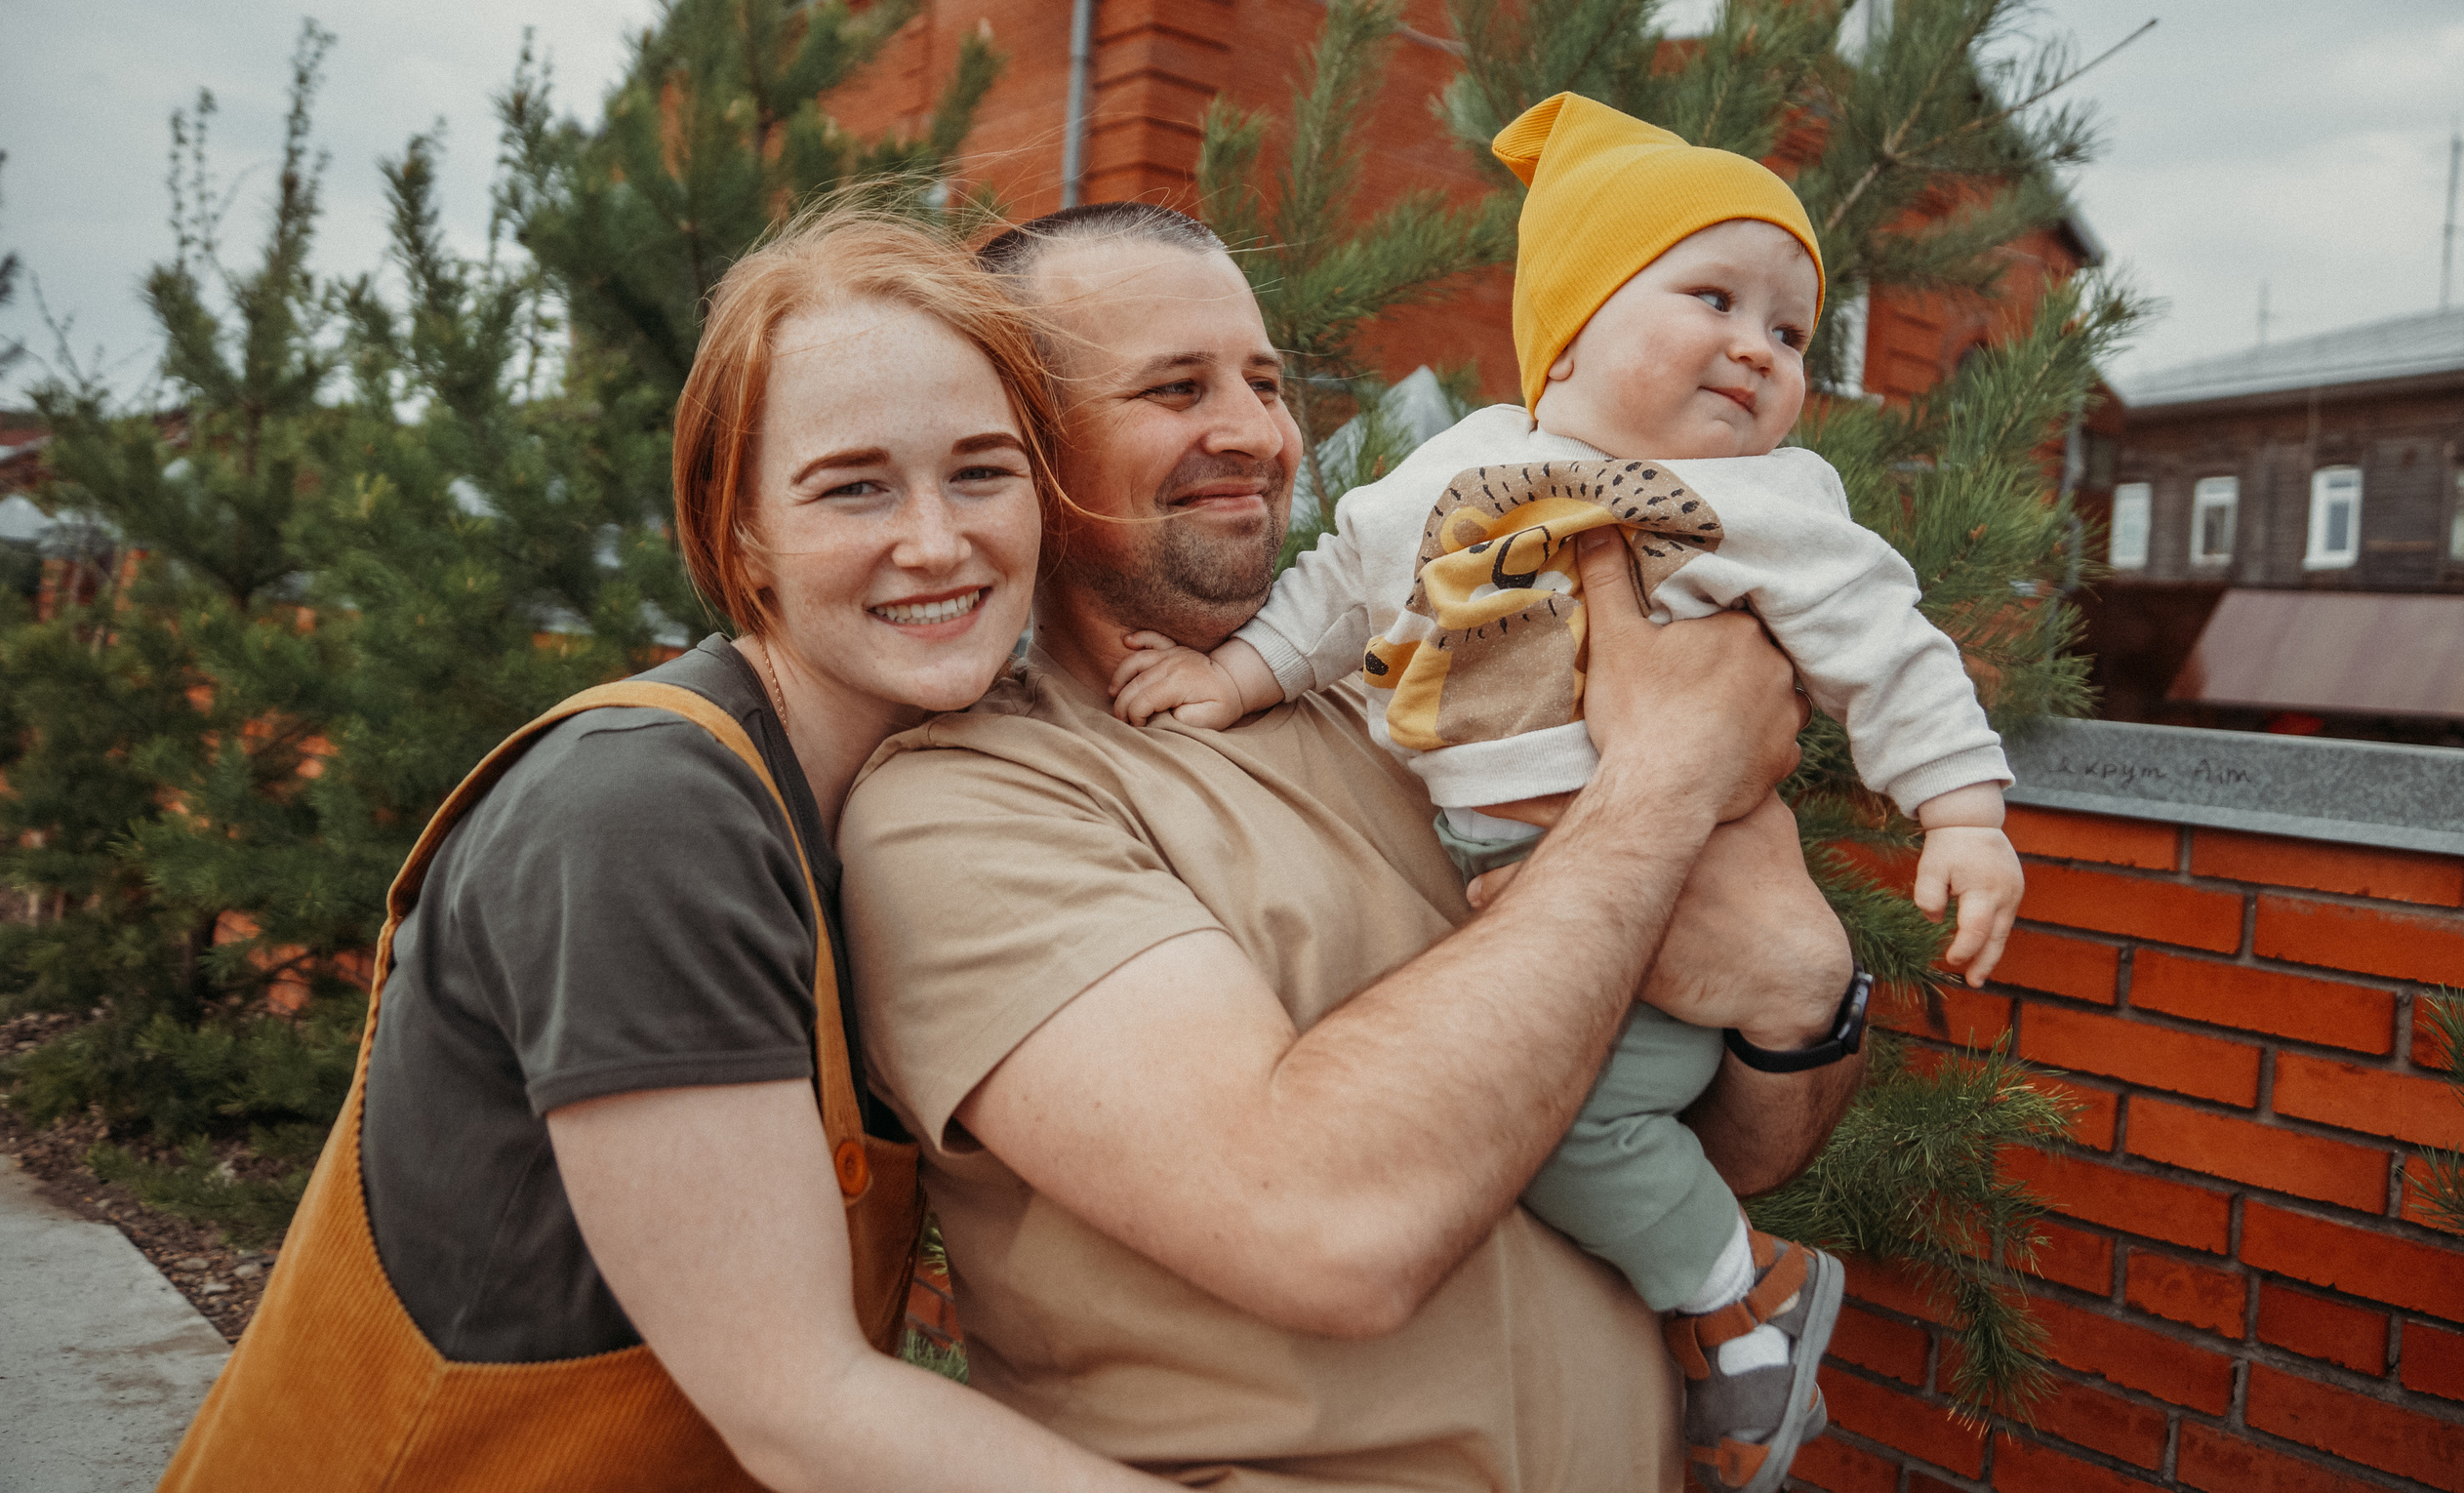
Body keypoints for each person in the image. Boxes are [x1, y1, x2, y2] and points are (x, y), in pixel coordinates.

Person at [836, 200, 1868, 1491]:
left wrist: (1802, 1010)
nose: (1254, 434)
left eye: (1265, 383)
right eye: (1173, 386)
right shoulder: (970, 805)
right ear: (1021, 446)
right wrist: (1660, 790)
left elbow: (1728, 1150)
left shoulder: (1426, 702)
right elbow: (1331, 1235)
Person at [159, 212, 1166, 1493]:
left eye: (982, 470)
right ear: (738, 530)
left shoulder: (915, 799)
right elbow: (800, 1405)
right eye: (854, 484)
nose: (935, 539)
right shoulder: (642, 814)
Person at [1105, 96, 2028, 1488]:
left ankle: (1735, 1292)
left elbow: (1890, 650)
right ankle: (1738, 1292)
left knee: (1572, 1130)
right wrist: (1235, 683)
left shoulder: (1770, 503)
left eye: (1789, 332)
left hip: (1660, 935)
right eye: (1711, 297)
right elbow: (1338, 595)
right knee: (1533, 1122)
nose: (1755, 347)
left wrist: (1961, 811)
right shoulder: (1444, 473)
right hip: (1528, 889)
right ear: (1573, 330)